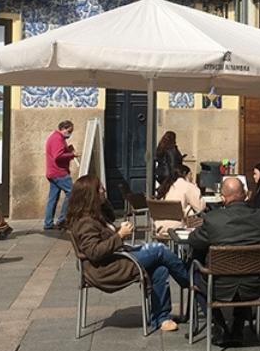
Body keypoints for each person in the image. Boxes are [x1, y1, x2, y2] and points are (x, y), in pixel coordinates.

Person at [66, 175, 189, 332]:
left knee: (160, 269)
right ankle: (190, 281)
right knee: (159, 249)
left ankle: (161, 318)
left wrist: (105, 206)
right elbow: (94, 252)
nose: (104, 190)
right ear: (91, 195)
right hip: (107, 269)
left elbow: (108, 218)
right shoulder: (85, 223)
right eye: (100, 189)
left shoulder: (95, 216)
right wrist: (119, 236)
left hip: (116, 258)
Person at [187, 177, 260, 345]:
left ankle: (218, 324)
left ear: (223, 197)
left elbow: (194, 241)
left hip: (219, 284)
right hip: (255, 284)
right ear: (246, 195)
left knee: (193, 271)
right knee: (245, 267)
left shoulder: (213, 219)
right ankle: (238, 325)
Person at [44, 120, 78, 230]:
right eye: (69, 131)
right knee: (72, 193)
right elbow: (57, 156)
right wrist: (71, 155)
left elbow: (59, 153)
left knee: (53, 198)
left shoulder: (56, 137)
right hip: (59, 173)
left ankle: (48, 223)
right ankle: (62, 220)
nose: (70, 133)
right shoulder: (57, 139)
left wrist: (68, 150)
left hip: (53, 172)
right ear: (63, 128)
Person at [153, 162, 203, 236]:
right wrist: (195, 187)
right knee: (201, 221)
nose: (192, 177)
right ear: (186, 174)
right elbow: (200, 207)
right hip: (177, 225)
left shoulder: (166, 185)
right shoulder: (187, 186)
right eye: (191, 174)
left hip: (159, 224)